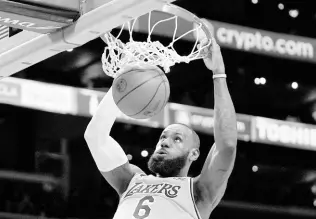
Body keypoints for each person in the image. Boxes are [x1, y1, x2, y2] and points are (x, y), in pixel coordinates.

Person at [84, 34, 237, 219]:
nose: (164, 143)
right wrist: (124, 82)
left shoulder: (199, 191)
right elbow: (95, 137)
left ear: (194, 154)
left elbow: (227, 145)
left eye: (177, 139)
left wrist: (219, 73)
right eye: (162, 137)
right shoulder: (131, 180)